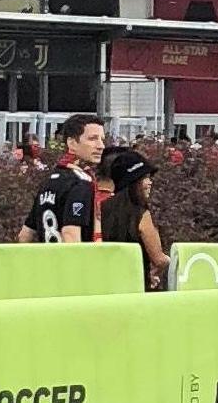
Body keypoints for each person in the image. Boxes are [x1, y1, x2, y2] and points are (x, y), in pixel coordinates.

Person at [15, 113, 106, 243]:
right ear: (72, 143)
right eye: (93, 139)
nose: (101, 145)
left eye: (102, 139)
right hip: (70, 256)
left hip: (47, 255)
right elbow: (70, 234)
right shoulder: (81, 183)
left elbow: (24, 235)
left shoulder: (49, 181)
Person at [99, 149, 169, 289]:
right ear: (134, 182)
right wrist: (172, 261)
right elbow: (159, 259)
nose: (150, 182)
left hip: (107, 283)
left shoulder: (101, 209)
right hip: (136, 286)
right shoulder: (140, 214)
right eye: (145, 178)